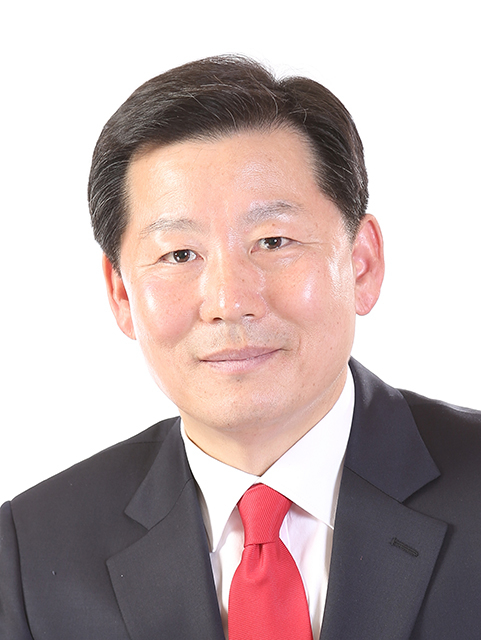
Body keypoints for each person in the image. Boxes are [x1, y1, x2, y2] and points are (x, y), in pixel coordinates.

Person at [0, 55, 480, 640]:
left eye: (273, 241)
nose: (229, 301)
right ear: (121, 292)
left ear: (361, 263)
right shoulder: (30, 552)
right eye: (179, 255)